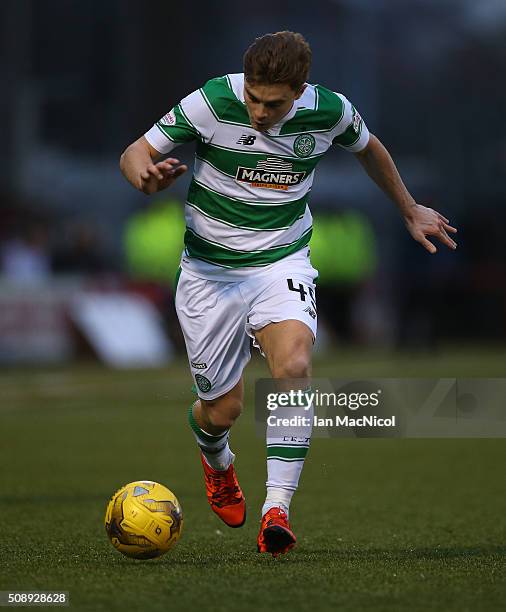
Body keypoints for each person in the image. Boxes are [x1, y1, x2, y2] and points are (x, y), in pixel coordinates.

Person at [119, 31, 457, 557]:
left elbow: (370, 150)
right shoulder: (213, 100)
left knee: (295, 366)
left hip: (282, 262)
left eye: (272, 103)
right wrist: (144, 175)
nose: (257, 111)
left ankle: (278, 508)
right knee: (222, 411)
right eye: (253, 98)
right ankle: (218, 464)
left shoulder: (331, 112)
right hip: (210, 274)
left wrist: (409, 207)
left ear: (299, 91)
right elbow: (135, 151)